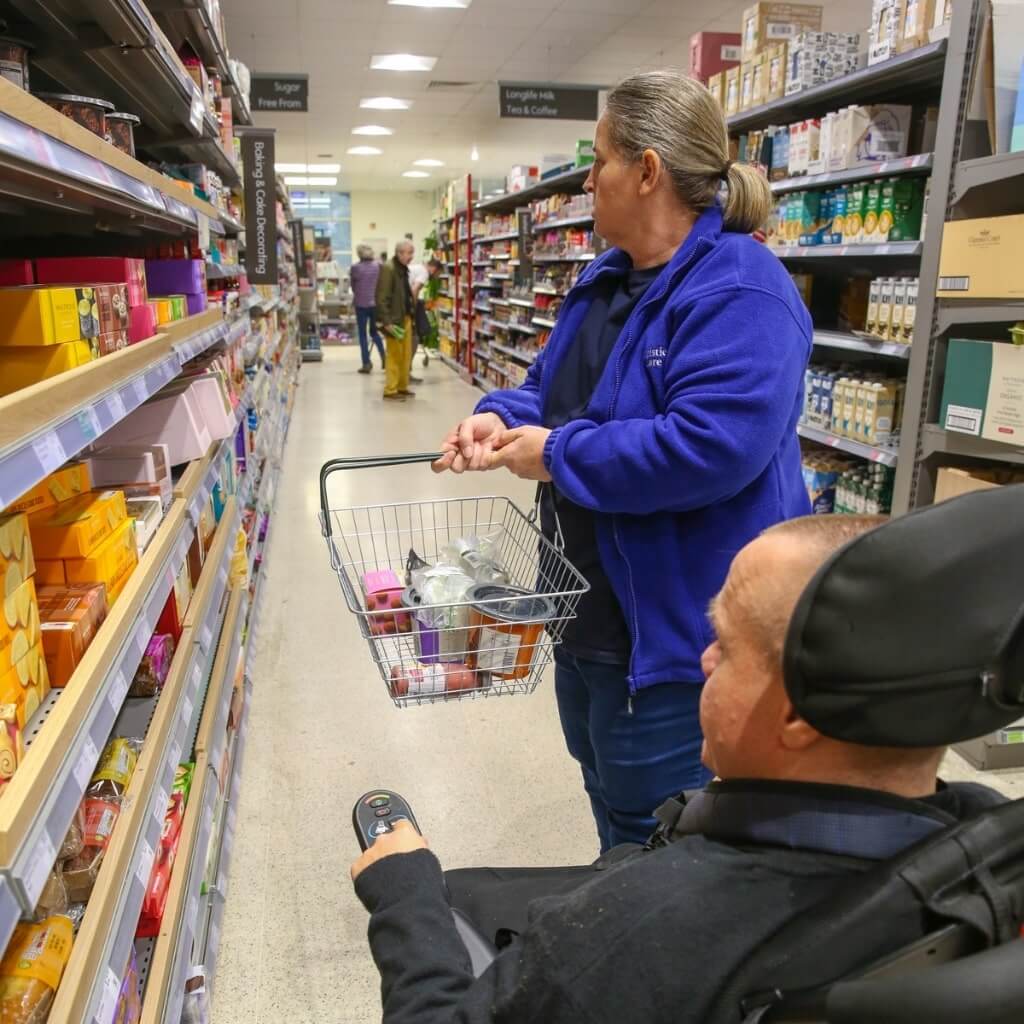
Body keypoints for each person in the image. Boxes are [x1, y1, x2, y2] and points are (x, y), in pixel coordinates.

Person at [350, 511, 1007, 1023]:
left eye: (725, 644)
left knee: (444, 892)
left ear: (797, 714)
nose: (704, 661)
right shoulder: (993, 844)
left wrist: (403, 892)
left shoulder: (630, 932)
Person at [433, 69, 813, 850]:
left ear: (647, 171)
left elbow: (709, 448)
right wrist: (497, 417)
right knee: (609, 801)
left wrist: (555, 455)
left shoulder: (742, 291)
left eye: (599, 160)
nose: (587, 181)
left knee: (661, 841)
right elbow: (549, 390)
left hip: (681, 642)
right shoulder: (604, 282)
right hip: (589, 616)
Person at [376, 240, 416, 402]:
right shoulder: (389, 268)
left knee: (405, 355)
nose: (411, 256)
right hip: (393, 320)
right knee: (394, 355)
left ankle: (402, 386)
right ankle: (390, 389)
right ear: (399, 253)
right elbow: (382, 297)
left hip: (405, 317)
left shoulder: (402, 269)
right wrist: (386, 322)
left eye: (412, 253)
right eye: (408, 253)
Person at [350, 243, 385, 374]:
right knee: (375, 332)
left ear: (359, 254)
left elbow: (353, 286)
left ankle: (366, 363)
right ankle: (384, 357)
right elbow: (382, 284)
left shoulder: (355, 268)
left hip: (361, 305)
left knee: (363, 335)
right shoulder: (379, 266)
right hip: (375, 304)